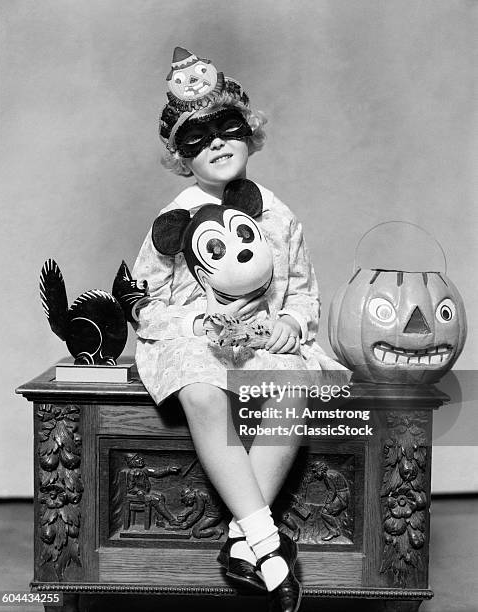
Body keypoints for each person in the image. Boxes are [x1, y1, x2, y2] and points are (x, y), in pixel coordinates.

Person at [132, 46, 348, 612]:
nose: (218, 145)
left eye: (227, 130)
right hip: (195, 336)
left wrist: (289, 323)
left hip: (260, 338)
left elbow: (302, 290)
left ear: (249, 134)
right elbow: (141, 296)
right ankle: (269, 545)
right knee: (202, 392)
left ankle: (241, 540)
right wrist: (188, 321)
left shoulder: (277, 214)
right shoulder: (173, 217)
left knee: (295, 388)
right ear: (182, 158)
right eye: (198, 140)